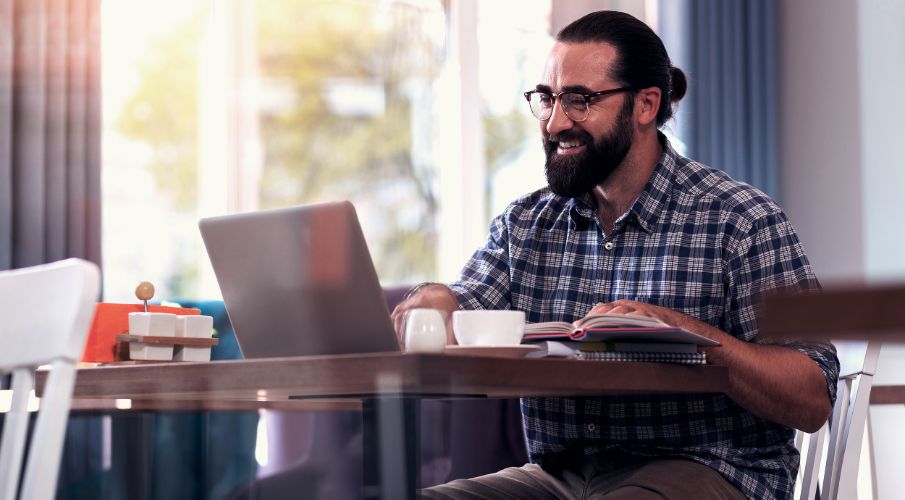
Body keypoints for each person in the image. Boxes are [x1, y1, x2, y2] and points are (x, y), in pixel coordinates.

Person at [391, 10, 838, 500]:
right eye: (547, 99)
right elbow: (467, 303)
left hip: (712, 472)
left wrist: (688, 337)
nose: (556, 122)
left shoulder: (740, 220)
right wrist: (435, 299)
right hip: (561, 478)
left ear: (646, 105)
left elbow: (811, 396)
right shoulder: (527, 223)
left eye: (580, 100)